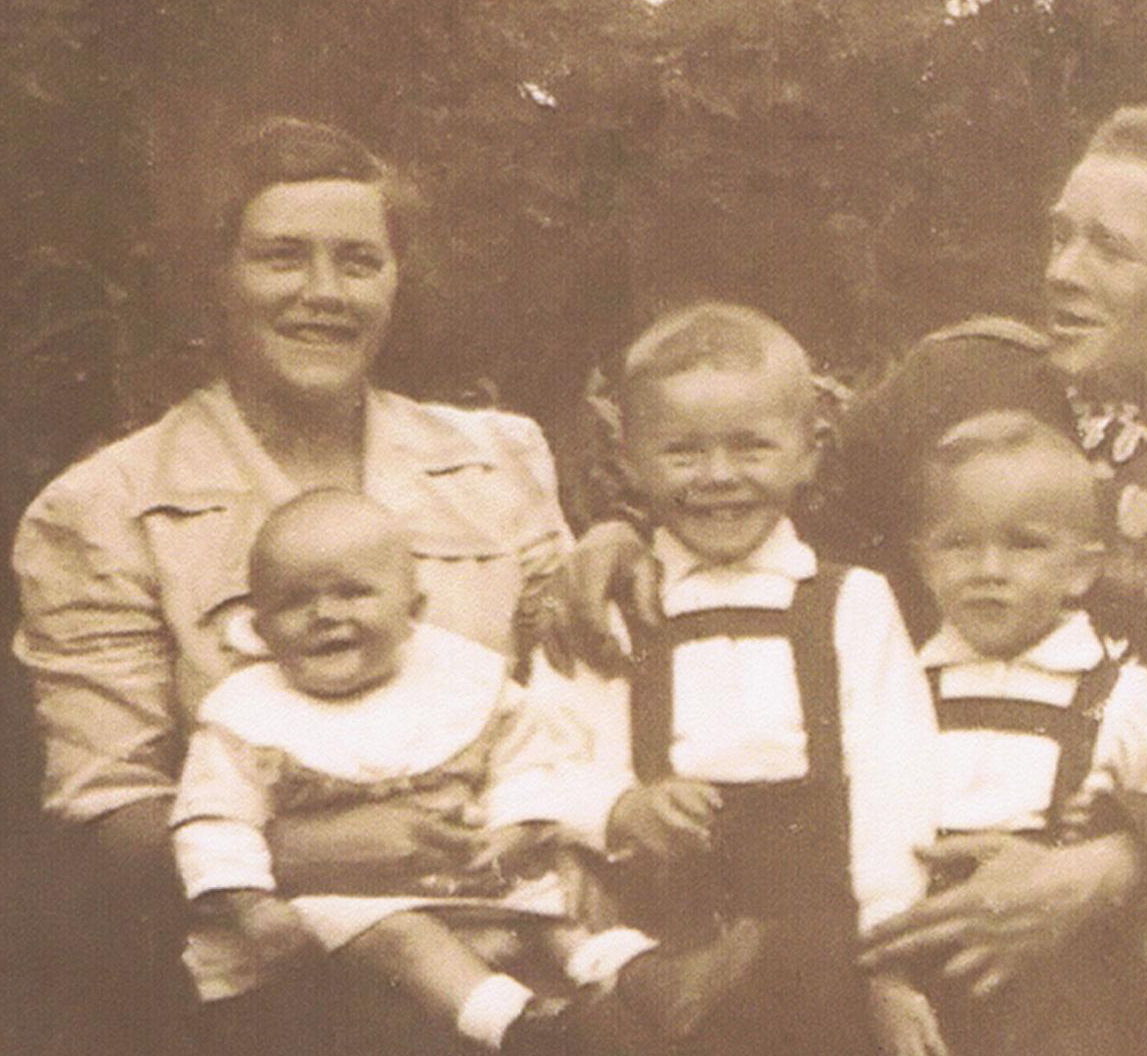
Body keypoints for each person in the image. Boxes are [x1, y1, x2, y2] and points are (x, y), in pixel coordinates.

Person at [542, 105, 1147, 1055]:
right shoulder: (960, 382)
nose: (1062, 271)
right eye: (1060, 235)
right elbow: (783, 525)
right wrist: (631, 535)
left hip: (1112, 853)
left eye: (1109, 249)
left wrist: (1098, 869)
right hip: (886, 816)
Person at [10, 116, 573, 1055]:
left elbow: (582, 683)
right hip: (284, 1002)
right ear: (216, 277)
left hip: (530, 946)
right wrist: (312, 852)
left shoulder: (494, 460)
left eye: (359, 261)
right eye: (281, 257)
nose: (324, 293)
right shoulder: (104, 508)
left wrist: (618, 552)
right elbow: (107, 814)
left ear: (396, 282)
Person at [530, 302, 945, 1056]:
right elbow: (540, 758)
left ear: (809, 451)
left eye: (752, 446)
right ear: (628, 460)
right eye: (682, 452)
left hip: (823, 952)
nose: (719, 477)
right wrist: (619, 809)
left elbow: (896, 786)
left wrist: (889, 964)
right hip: (659, 946)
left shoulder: (852, 602)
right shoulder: (611, 608)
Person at [171, 489, 688, 1054]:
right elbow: (214, 819)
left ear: (412, 609)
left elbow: (527, 758)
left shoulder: (457, 679)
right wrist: (249, 903)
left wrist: (514, 829)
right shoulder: (247, 715)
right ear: (260, 627)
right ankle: (528, 1027)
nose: (325, 615)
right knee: (405, 936)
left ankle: (641, 976)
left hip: (475, 874)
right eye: (294, 602)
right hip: (349, 903)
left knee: (556, 908)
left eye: (353, 592)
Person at [907, 409, 1147, 1054]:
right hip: (925, 953)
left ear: (1081, 570)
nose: (989, 569)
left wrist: (1106, 830)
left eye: (1025, 544)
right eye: (959, 544)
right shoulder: (904, 680)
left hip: (1057, 969)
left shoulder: (1114, 693)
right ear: (923, 562)